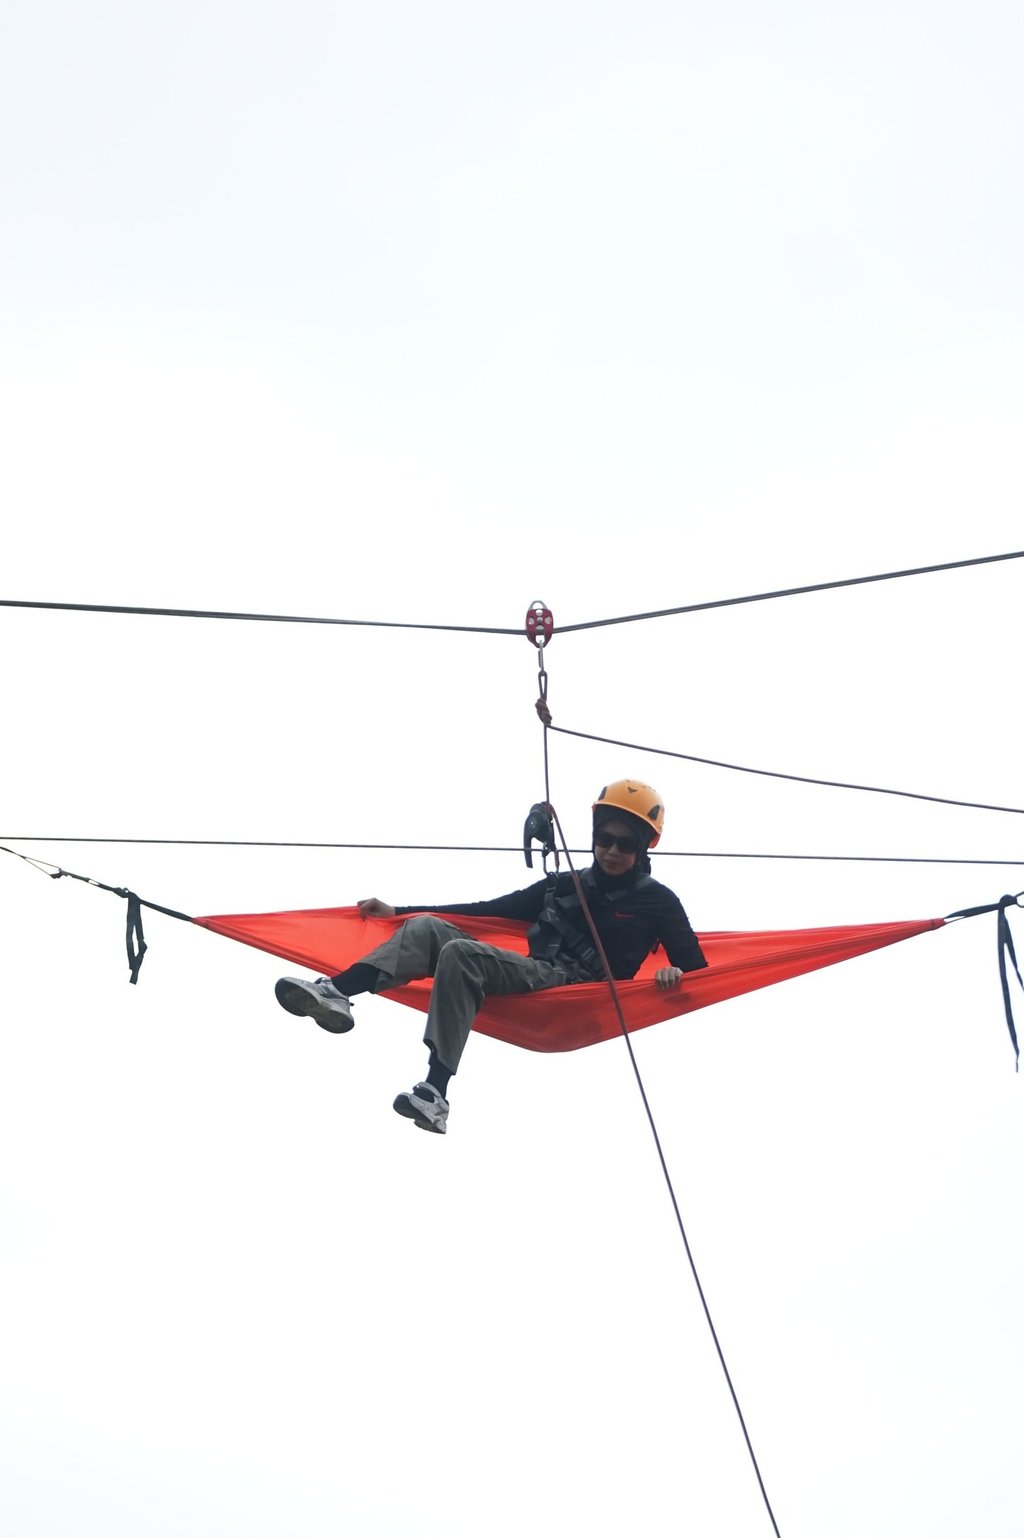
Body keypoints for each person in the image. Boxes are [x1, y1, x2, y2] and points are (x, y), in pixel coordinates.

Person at [274, 779, 707, 1135]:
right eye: (604, 839)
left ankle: (435, 1093)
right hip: (535, 976)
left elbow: (699, 971)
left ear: (643, 848)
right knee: (428, 928)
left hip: (579, 993)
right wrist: (400, 911)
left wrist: (671, 975)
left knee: (461, 954)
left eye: (625, 844)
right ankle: (337, 992)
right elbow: (486, 910)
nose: (612, 851)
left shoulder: (658, 901)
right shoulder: (563, 886)